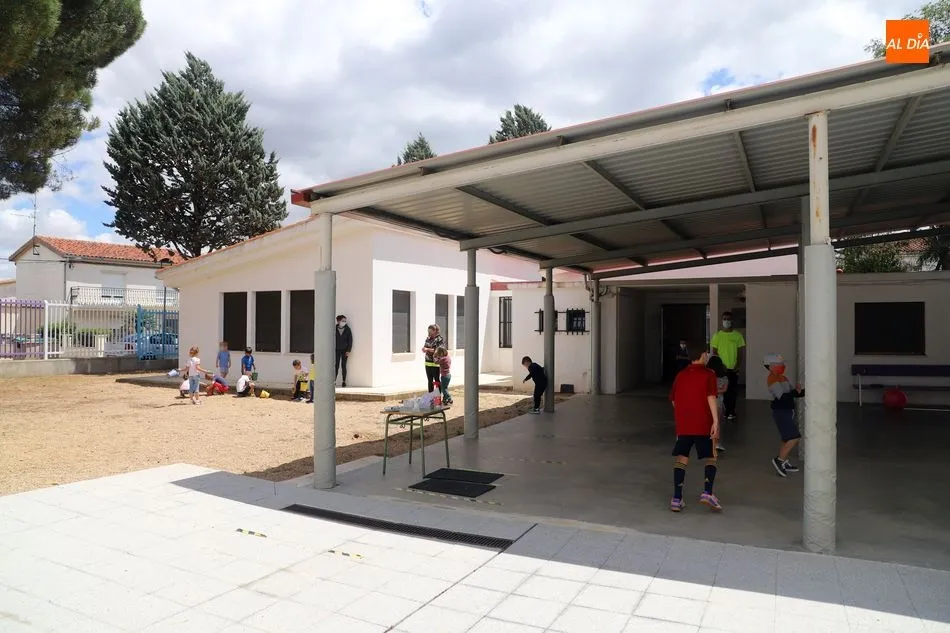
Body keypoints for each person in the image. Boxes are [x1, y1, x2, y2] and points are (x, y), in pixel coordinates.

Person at [668, 343, 722, 512]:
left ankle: (677, 498)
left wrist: (684, 414)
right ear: (703, 355)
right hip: (703, 423)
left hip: (684, 425)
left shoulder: (681, 375)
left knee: (682, 457)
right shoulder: (709, 374)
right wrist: (716, 421)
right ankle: (707, 492)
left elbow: (674, 400)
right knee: (711, 456)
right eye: (705, 354)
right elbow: (711, 397)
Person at [764, 354, 804, 477]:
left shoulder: (783, 378)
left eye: (782, 364)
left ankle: (784, 460)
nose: (782, 366)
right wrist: (794, 393)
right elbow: (782, 397)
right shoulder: (772, 378)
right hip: (781, 411)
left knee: (786, 438)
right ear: (771, 367)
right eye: (779, 365)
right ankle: (779, 460)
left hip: (788, 410)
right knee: (794, 437)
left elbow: (794, 393)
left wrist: (801, 392)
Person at [710, 311, 746, 421]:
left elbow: (740, 353)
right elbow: (714, 352)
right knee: (722, 391)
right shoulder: (717, 336)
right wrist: (719, 366)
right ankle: (725, 411)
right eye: (725, 319)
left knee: (732, 391)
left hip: (733, 369)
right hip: (721, 370)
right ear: (722, 321)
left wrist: (737, 366)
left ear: (732, 321)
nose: (727, 321)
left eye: (728, 319)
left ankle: (731, 411)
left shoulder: (738, 336)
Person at [705, 354, 728, 454]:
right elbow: (724, 389)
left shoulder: (707, 376)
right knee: (716, 423)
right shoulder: (724, 377)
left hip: (706, 402)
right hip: (718, 402)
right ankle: (716, 443)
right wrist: (716, 391)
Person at [422, 324, 445, 393]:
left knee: (437, 381)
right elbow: (425, 347)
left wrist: (427, 349)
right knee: (430, 381)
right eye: (428, 331)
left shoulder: (439, 339)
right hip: (427, 363)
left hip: (436, 364)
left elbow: (438, 350)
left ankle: (437, 398)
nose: (429, 332)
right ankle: (430, 397)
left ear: (435, 331)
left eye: (430, 331)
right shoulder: (428, 338)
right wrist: (424, 349)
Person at [335, 315, 352, 387]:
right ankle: (334, 381)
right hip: (336, 350)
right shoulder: (334, 328)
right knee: (336, 365)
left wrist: (348, 350)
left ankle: (343, 381)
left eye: (345, 321)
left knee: (343, 366)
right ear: (338, 321)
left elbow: (350, 340)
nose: (344, 322)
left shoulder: (347, 329)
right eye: (342, 320)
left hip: (345, 351)